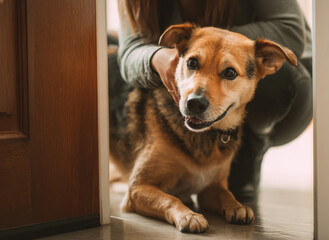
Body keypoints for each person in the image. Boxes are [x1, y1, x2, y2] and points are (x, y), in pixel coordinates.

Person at [113, 0, 313, 200]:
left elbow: (290, 30)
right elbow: (130, 52)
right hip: (178, 91)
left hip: (290, 92)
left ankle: (250, 151)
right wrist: (156, 56)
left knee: (282, 80)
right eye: (193, 63)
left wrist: (215, 41)